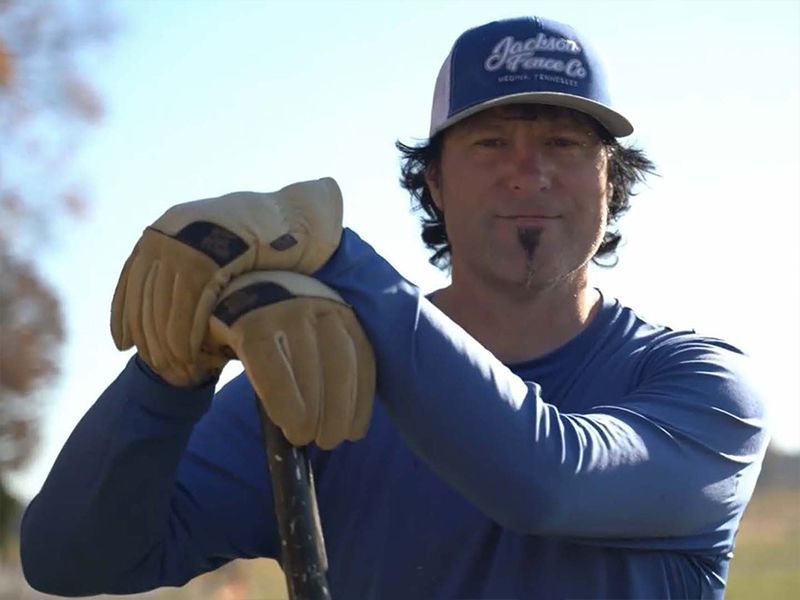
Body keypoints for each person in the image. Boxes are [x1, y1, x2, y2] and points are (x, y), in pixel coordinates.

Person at [20, 16, 768, 599]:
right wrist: (169, 374)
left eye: (565, 143)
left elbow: (549, 481)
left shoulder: (701, 387)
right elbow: (72, 558)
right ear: (434, 183)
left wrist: (338, 259)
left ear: (613, 180)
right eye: (491, 142)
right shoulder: (320, 374)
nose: (528, 171)